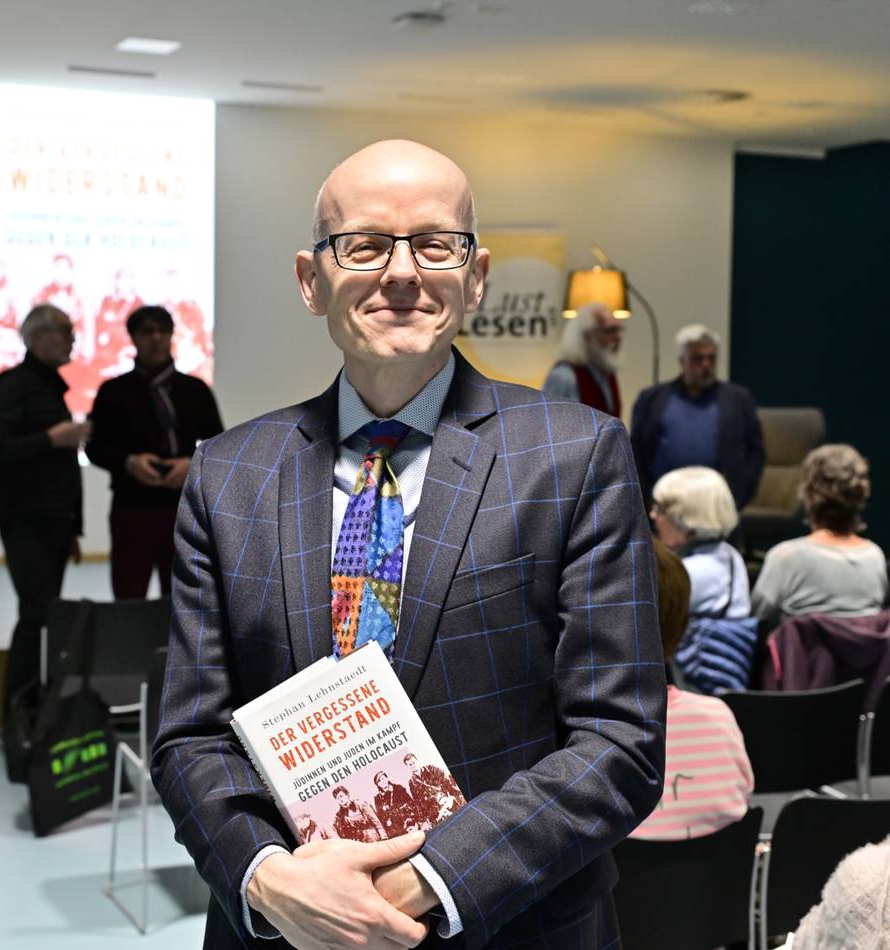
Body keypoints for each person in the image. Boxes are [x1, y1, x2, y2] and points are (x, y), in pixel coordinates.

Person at [151, 139, 665, 950]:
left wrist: (422, 881)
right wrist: (273, 879)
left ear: (477, 275)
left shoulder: (576, 456)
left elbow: (619, 744)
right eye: (364, 244)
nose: (401, 272)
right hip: (285, 930)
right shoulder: (228, 474)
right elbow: (189, 735)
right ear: (310, 280)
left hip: (510, 926)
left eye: (434, 243)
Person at [0, 304, 90, 716]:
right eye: (64, 331)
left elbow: (62, 472)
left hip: (52, 522)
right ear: (37, 337)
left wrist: (72, 529)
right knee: (35, 616)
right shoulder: (14, 383)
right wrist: (52, 437)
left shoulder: (47, 385)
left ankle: (33, 711)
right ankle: (18, 714)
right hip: (24, 518)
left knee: (43, 616)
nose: (72, 339)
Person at [85, 305, 223, 599]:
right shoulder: (113, 391)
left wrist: (191, 464)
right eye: (147, 332)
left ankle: (177, 649)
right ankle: (129, 646)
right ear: (133, 338)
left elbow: (218, 445)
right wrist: (129, 462)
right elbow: (94, 447)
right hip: (132, 505)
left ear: (172, 335)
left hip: (183, 506)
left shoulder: (194, 389)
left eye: (163, 331)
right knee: (128, 592)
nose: (156, 338)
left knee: (183, 597)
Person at [630, 541, 754, 840]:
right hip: (719, 885)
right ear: (682, 623)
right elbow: (743, 801)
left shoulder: (574, 735)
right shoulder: (719, 717)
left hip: (623, 886)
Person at [752, 444, 889, 629]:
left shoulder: (786, 557)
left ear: (808, 496)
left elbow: (755, 620)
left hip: (799, 658)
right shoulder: (875, 557)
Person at [631, 324, 765, 510]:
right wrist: (647, 498)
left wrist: (739, 498)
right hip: (664, 505)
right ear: (681, 361)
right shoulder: (652, 399)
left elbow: (755, 452)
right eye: (697, 359)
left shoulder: (738, 399)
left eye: (711, 358)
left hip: (719, 506)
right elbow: (636, 451)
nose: (706, 365)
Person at [651, 466, 751, 619]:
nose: (652, 515)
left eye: (660, 509)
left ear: (684, 520)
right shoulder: (729, 552)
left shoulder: (692, 571)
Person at [541, 302, 624, 416]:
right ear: (586, 336)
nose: (618, 337)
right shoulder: (564, 376)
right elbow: (551, 423)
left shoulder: (606, 374)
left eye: (619, 330)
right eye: (609, 331)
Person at [403, 752, 463, 827]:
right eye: (410, 765)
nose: (413, 765)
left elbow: (447, 782)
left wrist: (455, 796)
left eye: (413, 762)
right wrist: (424, 820)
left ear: (417, 760)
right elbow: (417, 802)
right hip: (435, 814)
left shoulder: (431, 769)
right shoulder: (412, 782)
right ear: (408, 767)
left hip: (447, 804)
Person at [372, 771, 417, 837]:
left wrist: (412, 818)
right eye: (379, 781)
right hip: (394, 827)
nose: (382, 781)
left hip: (407, 820)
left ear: (387, 778)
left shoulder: (398, 788)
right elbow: (381, 816)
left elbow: (410, 802)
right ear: (378, 784)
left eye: (383, 778)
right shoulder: (378, 798)